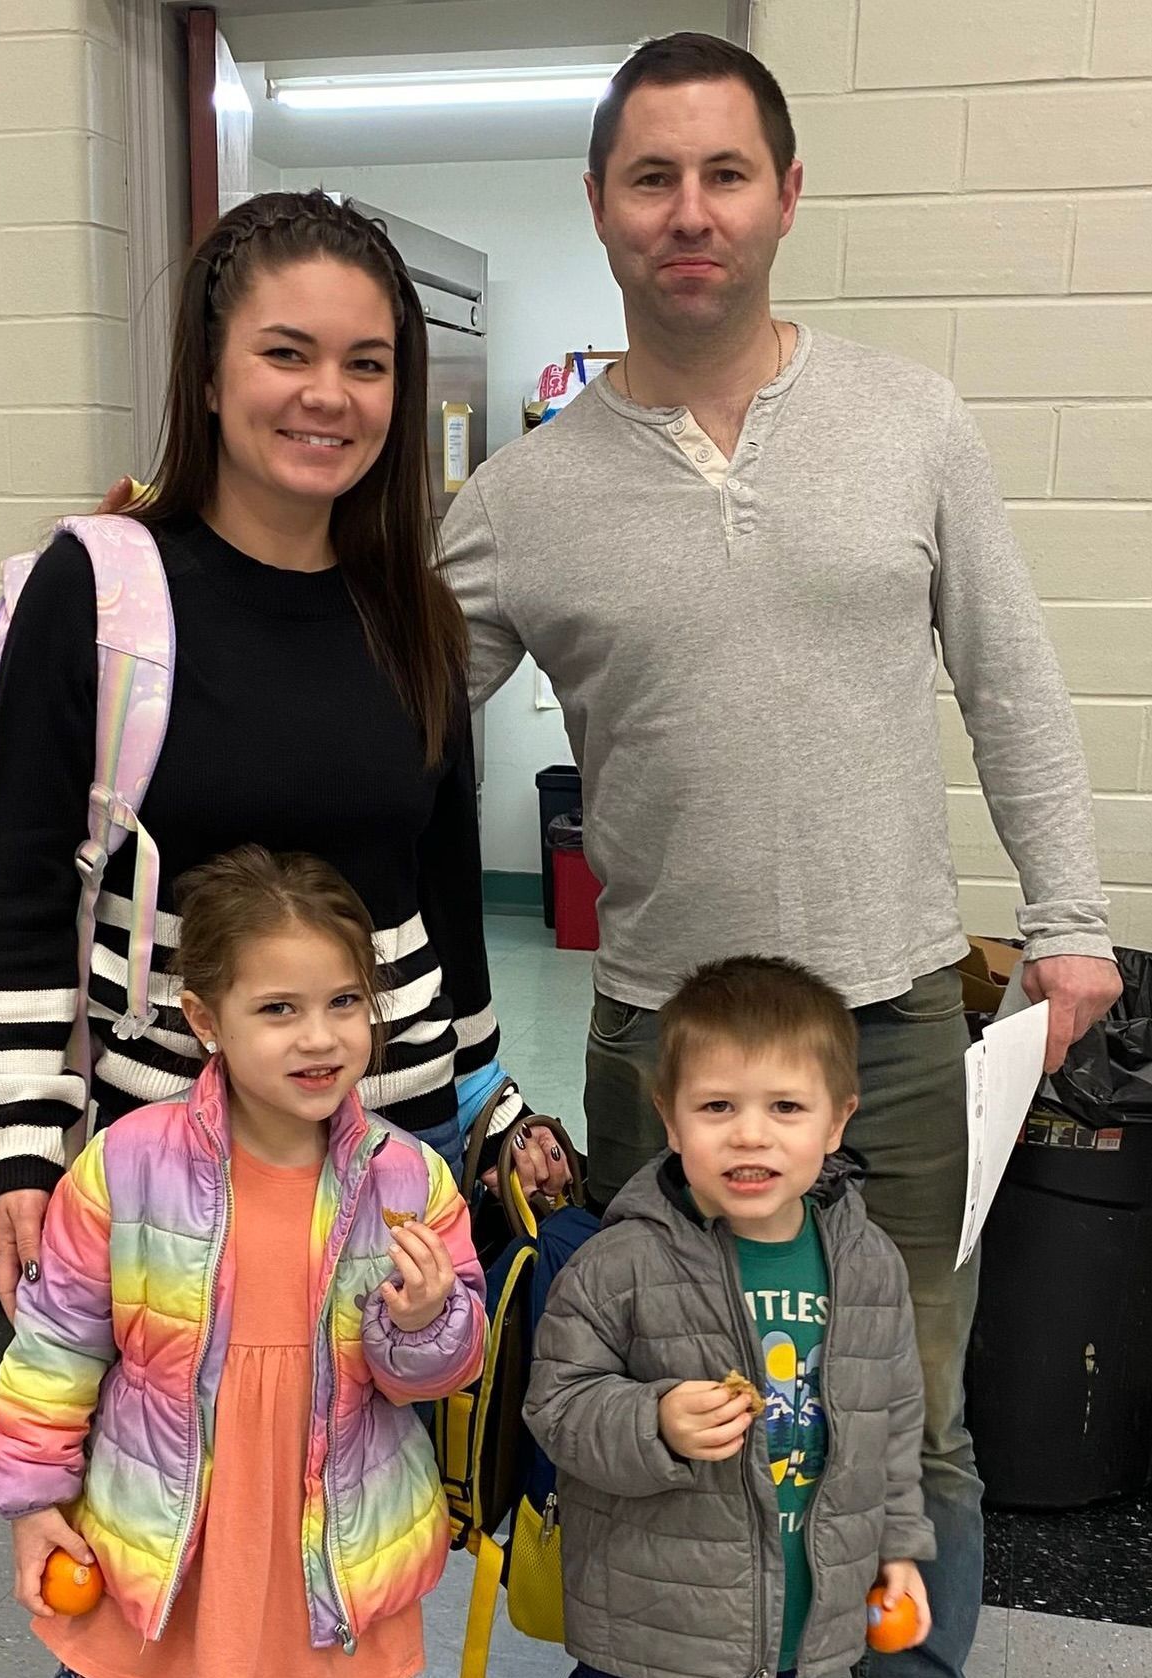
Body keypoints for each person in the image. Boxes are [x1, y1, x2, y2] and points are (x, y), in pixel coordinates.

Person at [439, 32, 1123, 1678]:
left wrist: (1071, 918)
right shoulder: (518, 500)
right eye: (652, 177)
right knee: (660, 1419)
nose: (692, 211)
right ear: (600, 207)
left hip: (886, 1035)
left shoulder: (912, 422)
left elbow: (1010, 675)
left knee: (908, 1430)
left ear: (786, 195)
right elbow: (375, 730)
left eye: (724, 173)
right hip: (653, 1050)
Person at [0, 190, 566, 1323]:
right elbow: (22, 883)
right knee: (165, 1470)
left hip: (394, 1151)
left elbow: (437, 888)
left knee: (369, 1485)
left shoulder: (415, 612)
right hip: (163, 1167)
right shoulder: (100, 590)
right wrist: (27, 1150)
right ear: (207, 373)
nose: (327, 396)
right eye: (285, 353)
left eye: (367, 363)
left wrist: (492, 1104)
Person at [0, 843, 486, 1678]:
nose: (319, 1037)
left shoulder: (409, 1180)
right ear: (206, 1020)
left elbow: (429, 1380)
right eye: (279, 1009)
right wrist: (32, 1502)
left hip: (333, 1553)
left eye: (345, 1001)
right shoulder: (124, 1166)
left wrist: (429, 1320)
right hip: (166, 1536)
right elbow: (55, 1349)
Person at [524, 955, 935, 1678]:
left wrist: (896, 1546)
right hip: (657, 1637)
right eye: (717, 1107)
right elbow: (557, 1408)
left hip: (812, 1632)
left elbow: (892, 1423)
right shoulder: (618, 1264)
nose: (750, 1135)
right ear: (669, 1118)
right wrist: (654, 1421)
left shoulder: (868, 1265)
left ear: (837, 1119)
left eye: (786, 1107)